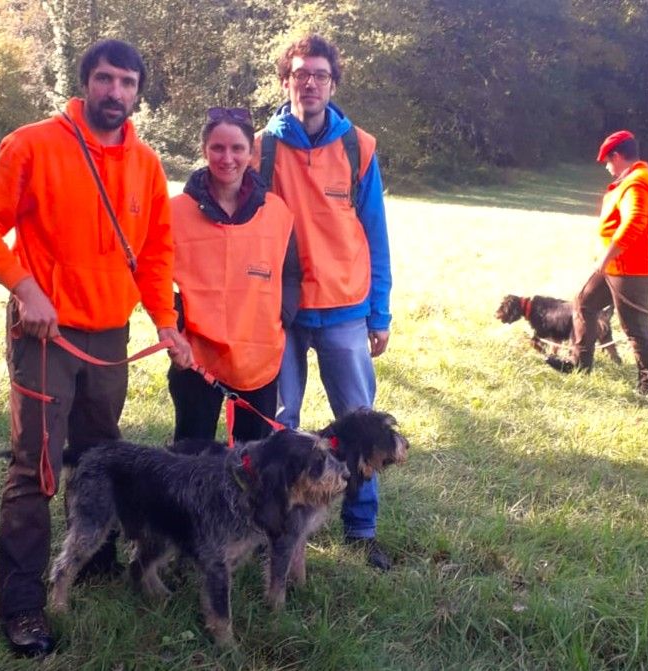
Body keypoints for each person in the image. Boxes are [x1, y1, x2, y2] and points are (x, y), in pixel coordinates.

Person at [0, 39, 192, 656]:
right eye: (106, 79)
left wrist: (166, 322)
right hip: (46, 334)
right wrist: (26, 289)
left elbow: (155, 253)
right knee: (36, 464)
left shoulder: (146, 164)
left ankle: (92, 558)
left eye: (128, 82)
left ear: (138, 93)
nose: (116, 92)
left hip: (110, 336)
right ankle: (23, 604)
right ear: (86, 82)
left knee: (97, 453)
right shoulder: (33, 145)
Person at [253, 35, 394, 570]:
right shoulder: (262, 148)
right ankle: (274, 526)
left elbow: (375, 233)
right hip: (281, 313)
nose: (309, 83)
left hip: (345, 310)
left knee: (358, 425)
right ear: (285, 81)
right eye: (299, 74)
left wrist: (379, 311)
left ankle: (361, 528)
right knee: (279, 424)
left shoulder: (358, 146)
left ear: (333, 83)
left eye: (319, 74)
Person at [168, 108, 300, 441]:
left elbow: (291, 272)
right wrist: (174, 323)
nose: (227, 158)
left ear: (251, 152)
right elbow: (152, 274)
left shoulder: (277, 212)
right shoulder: (174, 212)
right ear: (204, 150)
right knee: (191, 456)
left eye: (237, 148)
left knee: (256, 459)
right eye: (218, 148)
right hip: (196, 357)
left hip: (258, 356)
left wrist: (282, 315)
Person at [545, 130, 648, 394]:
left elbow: (634, 223)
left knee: (635, 326)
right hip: (617, 266)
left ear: (617, 156)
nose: (607, 167)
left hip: (633, 269)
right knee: (584, 303)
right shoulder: (636, 179)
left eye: (608, 161)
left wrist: (606, 256)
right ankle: (579, 365)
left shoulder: (637, 182)